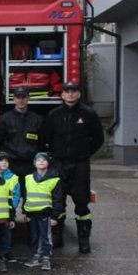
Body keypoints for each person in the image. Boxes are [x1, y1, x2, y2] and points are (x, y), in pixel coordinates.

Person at [41, 81, 104, 253]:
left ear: (79, 94)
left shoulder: (89, 114)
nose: (70, 95)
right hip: (59, 163)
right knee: (58, 203)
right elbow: (46, 138)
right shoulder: (54, 115)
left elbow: (98, 139)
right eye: (67, 92)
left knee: (82, 203)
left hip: (80, 164)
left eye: (73, 91)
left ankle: (84, 240)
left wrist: (84, 154)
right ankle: (57, 237)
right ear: (61, 95)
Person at [0, 87, 43, 198]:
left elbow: (43, 142)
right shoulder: (5, 119)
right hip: (11, 164)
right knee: (9, 194)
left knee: (29, 194)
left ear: (28, 99)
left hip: (30, 164)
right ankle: (11, 215)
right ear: (14, 99)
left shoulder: (37, 119)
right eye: (18, 97)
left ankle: (28, 214)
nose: (21, 100)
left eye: (23, 97)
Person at [23, 152, 64, 271]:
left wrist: (55, 216)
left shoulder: (54, 180)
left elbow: (58, 199)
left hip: (45, 214)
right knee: (34, 236)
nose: (41, 162)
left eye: (43, 160)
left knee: (45, 236)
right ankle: (36, 256)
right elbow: (26, 196)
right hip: (32, 213)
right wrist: (25, 211)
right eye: (38, 160)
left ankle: (46, 257)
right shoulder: (28, 178)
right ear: (34, 163)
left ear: (48, 163)